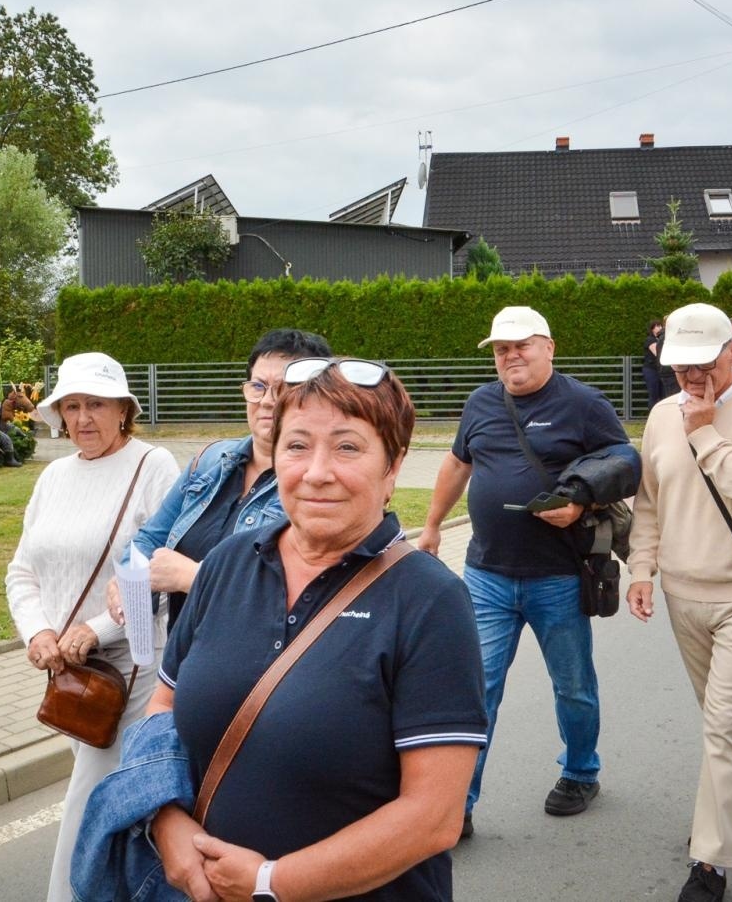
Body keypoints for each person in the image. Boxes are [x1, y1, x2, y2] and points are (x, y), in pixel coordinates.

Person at [146, 357, 487, 901]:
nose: (317, 471)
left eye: (348, 447)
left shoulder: (430, 601)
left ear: (392, 466)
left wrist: (269, 883)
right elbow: (162, 708)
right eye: (297, 445)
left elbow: (434, 816)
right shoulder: (227, 563)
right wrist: (166, 823)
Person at [419, 306, 636, 837]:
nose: (510, 356)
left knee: (573, 686)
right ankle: (458, 805)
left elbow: (625, 461)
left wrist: (581, 505)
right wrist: (430, 527)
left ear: (549, 347)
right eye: (500, 349)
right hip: (486, 576)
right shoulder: (481, 402)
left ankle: (581, 772)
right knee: (477, 689)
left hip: (557, 577)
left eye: (521, 346)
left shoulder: (582, 403)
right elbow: (457, 464)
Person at [626, 304, 732, 902]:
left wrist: (703, 428)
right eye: (679, 368)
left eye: (702, 365)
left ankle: (710, 863)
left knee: (723, 725)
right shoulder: (658, 415)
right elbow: (649, 501)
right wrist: (641, 567)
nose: (690, 379)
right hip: (683, 594)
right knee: (721, 717)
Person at [4, 352, 180, 902]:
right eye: (72, 405)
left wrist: (97, 629)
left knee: (86, 808)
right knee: (128, 811)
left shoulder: (154, 467)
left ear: (123, 410)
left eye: (97, 404)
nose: (84, 418)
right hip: (70, 679)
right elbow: (22, 569)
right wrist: (37, 632)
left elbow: (161, 571)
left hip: (133, 674)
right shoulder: (54, 475)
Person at [105, 329, 332, 634]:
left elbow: (306, 593)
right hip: (183, 659)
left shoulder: (319, 485)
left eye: (283, 388)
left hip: (258, 668)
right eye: (258, 386)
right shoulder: (210, 460)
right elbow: (150, 538)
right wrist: (130, 577)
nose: (266, 401)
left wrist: (193, 577)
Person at [642, 320, 667, 407]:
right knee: (654, 394)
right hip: (651, 370)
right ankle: (651, 416)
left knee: (664, 394)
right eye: (657, 326)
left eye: (660, 326)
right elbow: (657, 353)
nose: (660, 328)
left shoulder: (661, 339)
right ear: (652, 329)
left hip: (660, 370)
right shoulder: (650, 340)